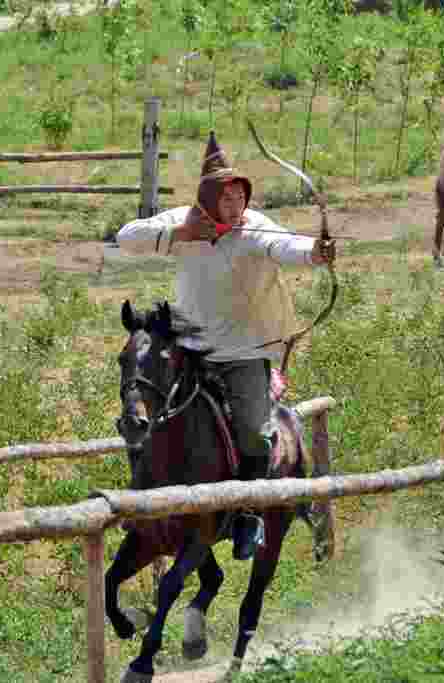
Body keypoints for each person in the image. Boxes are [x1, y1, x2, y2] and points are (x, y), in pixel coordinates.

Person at [116, 131, 335, 561]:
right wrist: (181, 232)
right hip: (188, 351)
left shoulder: (253, 228)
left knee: (254, 433)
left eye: (241, 197)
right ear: (208, 199)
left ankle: (249, 515)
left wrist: (315, 252)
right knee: (142, 414)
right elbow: (126, 237)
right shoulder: (184, 222)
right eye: (227, 199)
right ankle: (142, 506)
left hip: (241, 355)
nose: (236, 207)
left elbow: (283, 245)